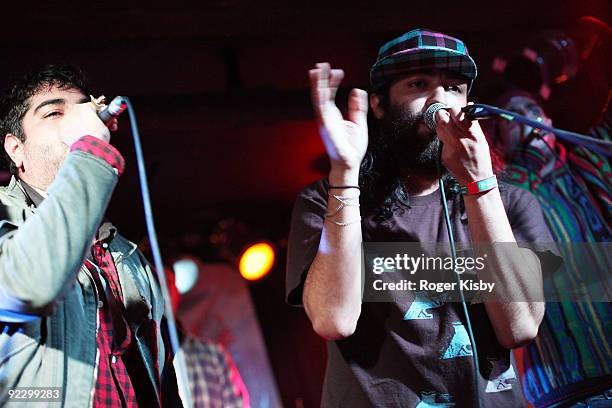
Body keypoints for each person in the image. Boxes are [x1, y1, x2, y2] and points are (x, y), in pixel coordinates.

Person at [286, 28, 558, 407]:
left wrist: (479, 185)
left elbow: (520, 327)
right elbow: (333, 320)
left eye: (453, 87)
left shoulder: (512, 203)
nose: (440, 101)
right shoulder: (324, 201)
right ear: (380, 105)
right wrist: (345, 176)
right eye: (419, 84)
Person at [0, 65, 180, 407]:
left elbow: (162, 380)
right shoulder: (5, 221)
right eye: (54, 113)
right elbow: (27, 286)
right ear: (16, 149)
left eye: (83, 110)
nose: (75, 123)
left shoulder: (126, 254)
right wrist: (88, 149)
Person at [487, 89, 612, 407]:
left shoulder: (588, 162)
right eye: (511, 115)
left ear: (550, 122)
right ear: (500, 141)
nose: (526, 114)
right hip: (565, 383)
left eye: (532, 108)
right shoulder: (501, 190)